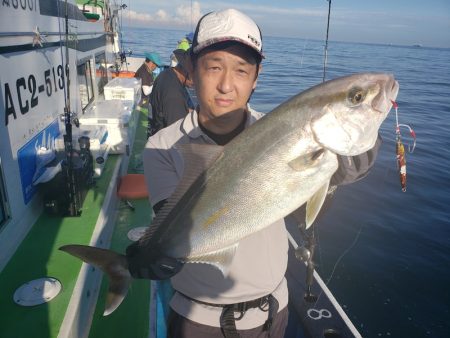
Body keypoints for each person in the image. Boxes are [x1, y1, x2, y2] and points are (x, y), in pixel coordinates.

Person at [141, 8, 380, 338]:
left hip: (273, 314)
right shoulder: (162, 146)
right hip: (198, 319)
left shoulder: (285, 132)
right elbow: (170, 221)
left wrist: (335, 178)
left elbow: (302, 213)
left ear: (257, 77)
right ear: (192, 70)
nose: (226, 84)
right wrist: (151, 252)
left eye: (241, 70)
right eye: (214, 67)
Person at [148, 48, 194, 137]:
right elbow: (176, 134)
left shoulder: (166, 73)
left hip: (156, 127)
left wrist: (191, 112)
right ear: (186, 71)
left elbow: (166, 108)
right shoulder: (175, 95)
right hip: (164, 142)